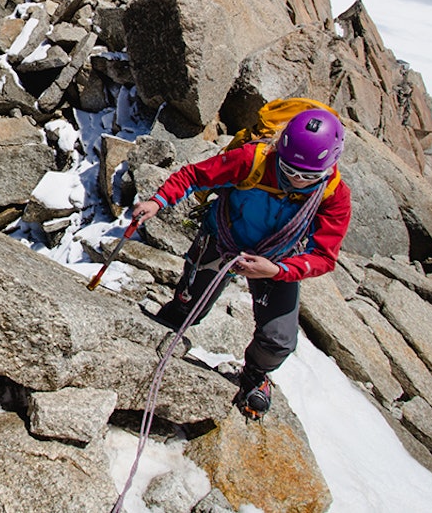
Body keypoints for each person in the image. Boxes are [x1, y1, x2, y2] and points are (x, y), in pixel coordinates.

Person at [131, 107, 351, 418]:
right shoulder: (254, 160)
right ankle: (160, 333)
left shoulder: (334, 195)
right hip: (223, 239)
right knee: (187, 306)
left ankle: (254, 377)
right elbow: (195, 175)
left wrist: (274, 270)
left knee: (279, 340)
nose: (297, 181)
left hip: (275, 260)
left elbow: (324, 257)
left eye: (308, 177)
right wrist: (158, 201)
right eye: (289, 170)